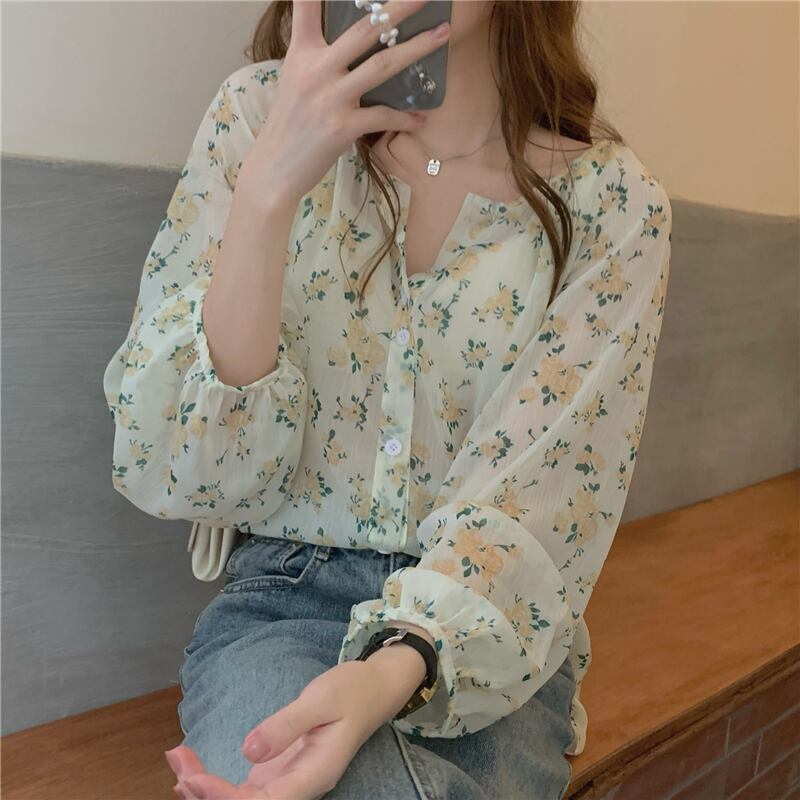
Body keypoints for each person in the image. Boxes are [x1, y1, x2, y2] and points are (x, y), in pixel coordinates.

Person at [101, 0, 672, 798]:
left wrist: (393, 669)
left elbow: (544, 496)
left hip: (483, 643)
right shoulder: (255, 116)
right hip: (283, 605)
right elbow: (185, 471)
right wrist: (268, 191)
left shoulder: (612, 204)